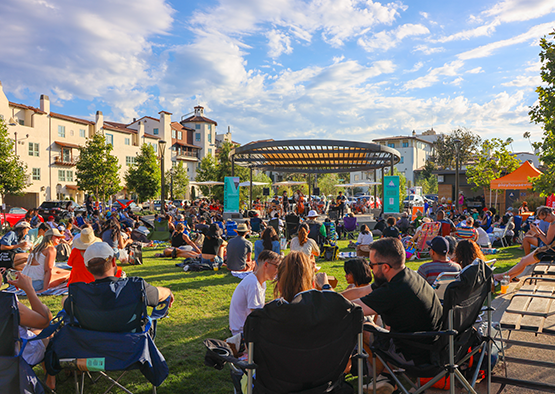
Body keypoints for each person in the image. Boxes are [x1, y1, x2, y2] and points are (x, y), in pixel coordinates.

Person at [340, 238, 443, 393]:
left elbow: (351, 310)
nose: (370, 268)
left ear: (385, 267)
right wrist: (332, 296)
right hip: (434, 345)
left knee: (361, 325)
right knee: (376, 326)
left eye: (372, 264)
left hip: (416, 355)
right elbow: (361, 291)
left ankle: (375, 374)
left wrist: (323, 300)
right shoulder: (406, 275)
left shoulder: (393, 291)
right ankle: (385, 376)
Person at [63, 242, 174, 322]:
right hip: (130, 347)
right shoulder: (135, 287)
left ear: (87, 268)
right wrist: (168, 291)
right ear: (113, 263)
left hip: (92, 346)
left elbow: (65, 301)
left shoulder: (79, 294)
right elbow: (161, 294)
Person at [5, 271, 56, 389]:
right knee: (48, 331)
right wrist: (29, 289)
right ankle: (50, 379)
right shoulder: (7, 302)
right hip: (14, 358)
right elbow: (44, 321)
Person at [494, 207, 555, 282]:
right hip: (549, 250)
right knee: (524, 261)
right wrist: (537, 230)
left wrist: (537, 232)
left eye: (544, 219)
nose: (544, 221)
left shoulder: (553, 224)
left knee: (523, 261)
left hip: (548, 252)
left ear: (549, 214)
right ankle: (508, 277)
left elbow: (547, 241)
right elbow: (548, 238)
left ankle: (503, 275)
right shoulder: (552, 222)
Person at [229, 250, 281, 336]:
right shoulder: (253, 283)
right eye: (276, 266)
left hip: (247, 327)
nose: (278, 270)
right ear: (266, 265)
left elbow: (260, 308)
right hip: (243, 332)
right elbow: (256, 315)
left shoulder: (259, 281)